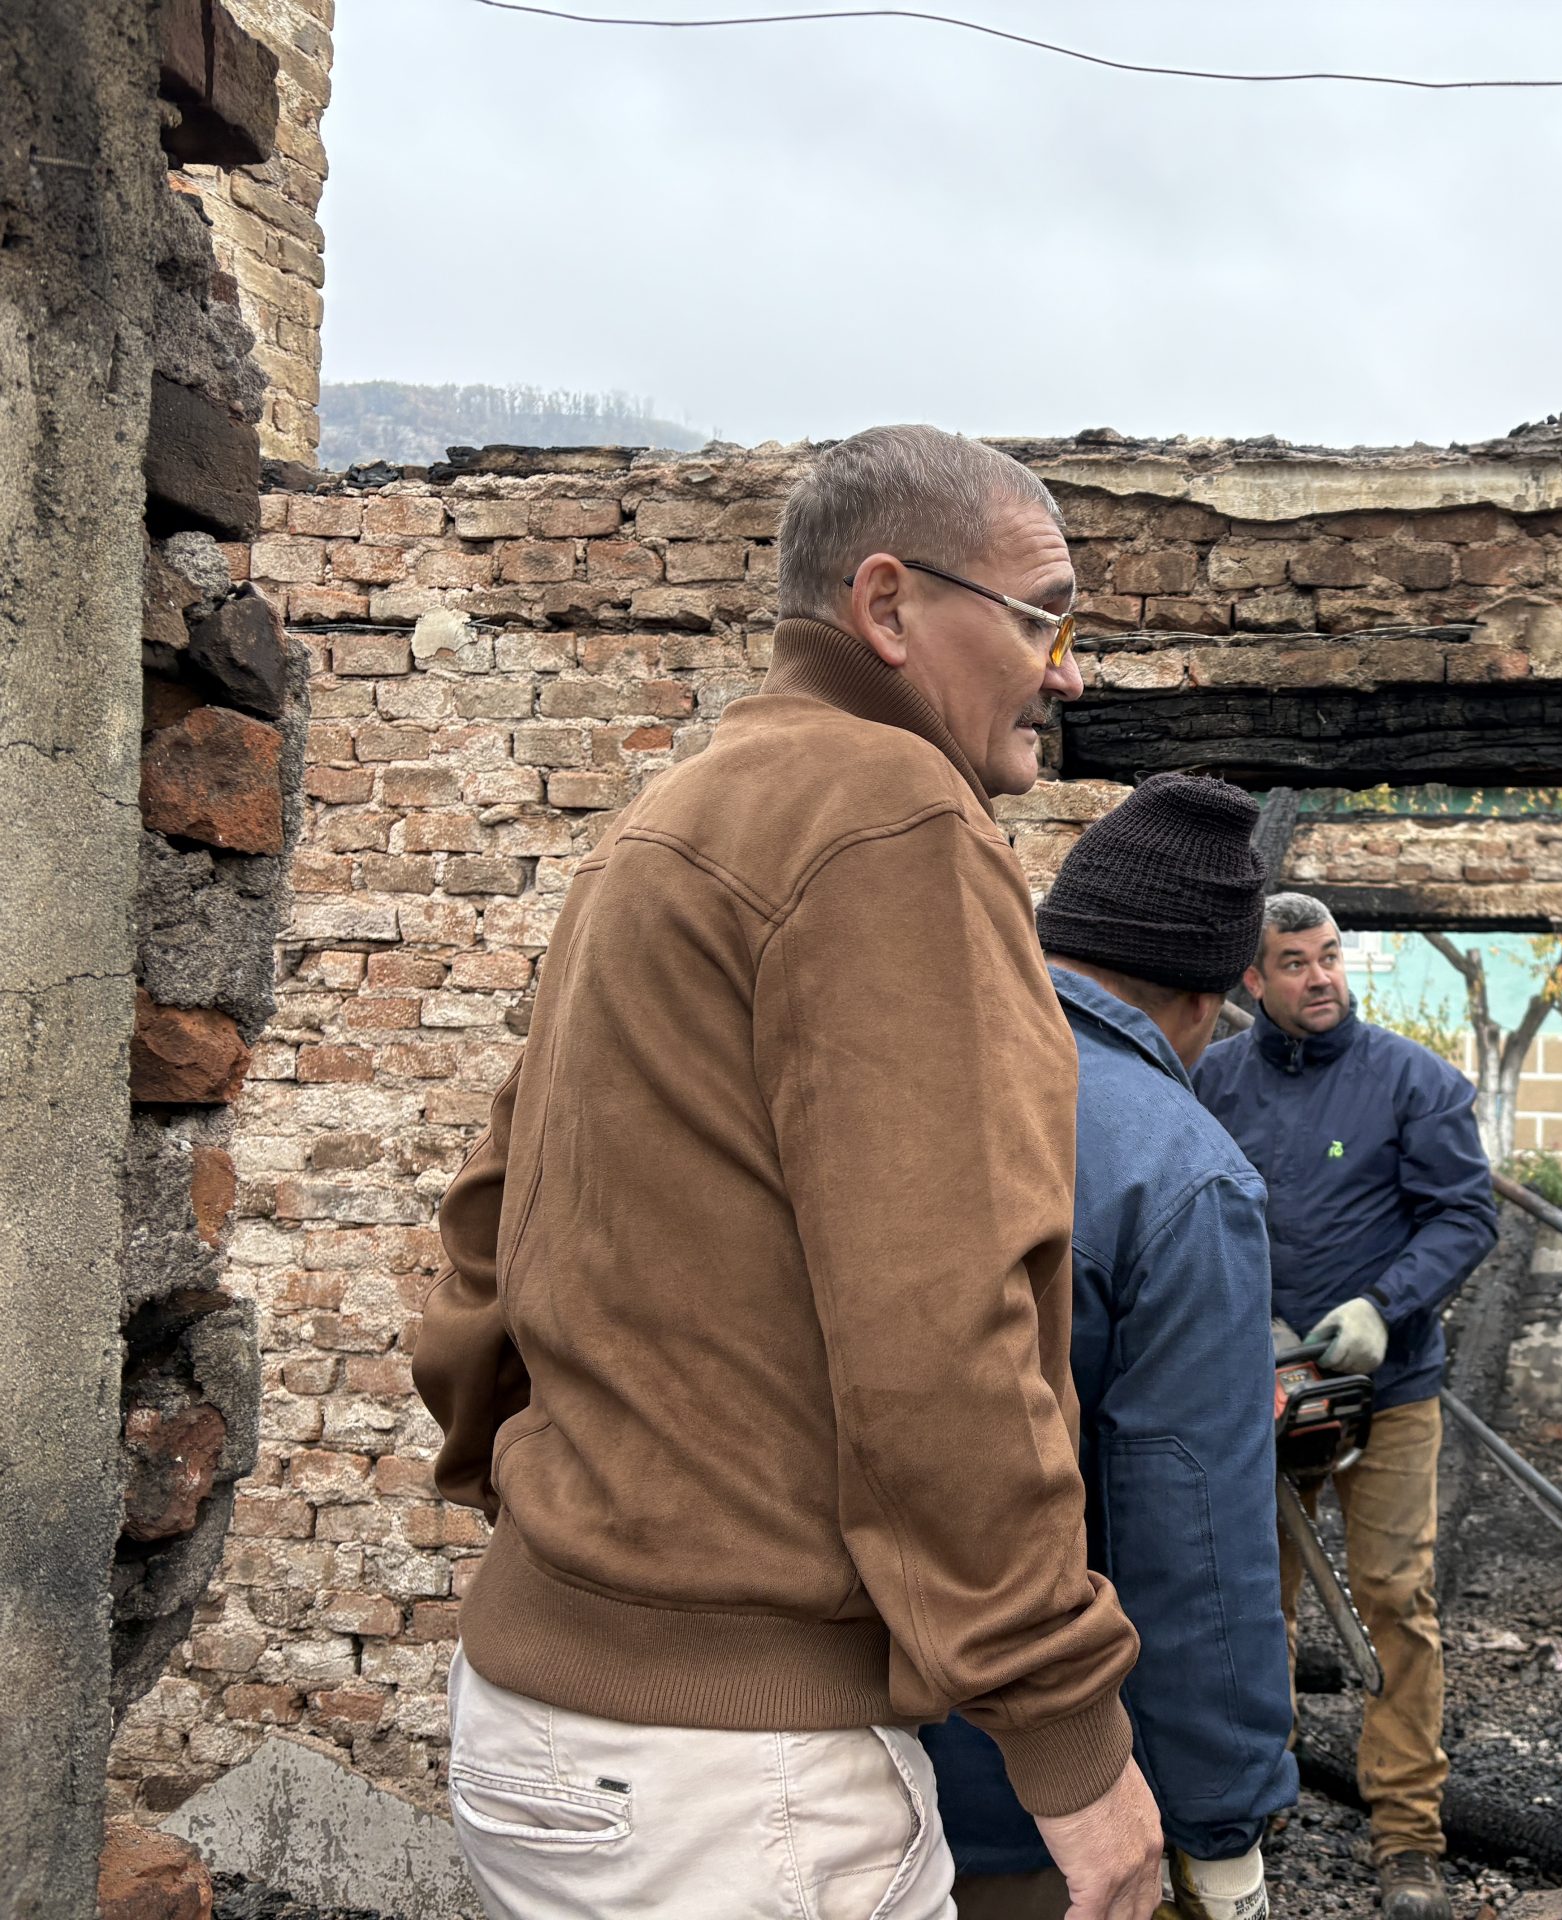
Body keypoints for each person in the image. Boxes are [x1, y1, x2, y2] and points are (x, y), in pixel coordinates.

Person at [416, 424, 1164, 1920]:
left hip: (543, 1721)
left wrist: (584, 1513)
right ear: (888, 606)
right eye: (1042, 618)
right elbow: (942, 1331)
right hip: (731, 1778)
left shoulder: (671, 819)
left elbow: (489, 1239)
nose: (1068, 674)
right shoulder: (891, 820)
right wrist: (1071, 1743)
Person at [921, 773, 1299, 1920]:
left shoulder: (887, 1072)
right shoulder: (1179, 1170)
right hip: (1018, 1795)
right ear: (1205, 998)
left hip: (789, 1746)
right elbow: (1192, 1539)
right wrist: (1222, 1820)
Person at [1192, 893, 1499, 1920]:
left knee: (1394, 1599)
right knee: (1255, 1602)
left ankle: (1407, 1835)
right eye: (1294, 962)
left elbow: (1464, 1216)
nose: (1320, 976)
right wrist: (1241, 1324)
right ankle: (1257, 1805)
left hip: (1386, 1390)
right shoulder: (1212, 1085)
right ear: (1253, 980)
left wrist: (1385, 1305)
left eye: (1330, 955)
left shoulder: (1413, 1082)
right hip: (1263, 1390)